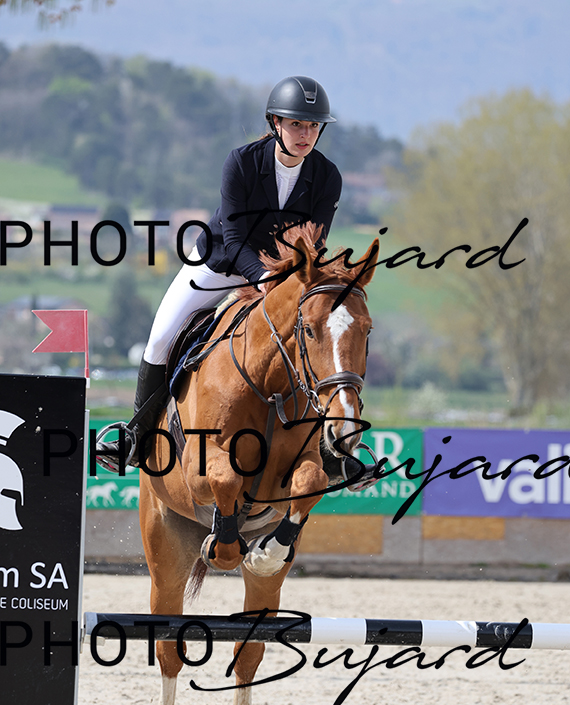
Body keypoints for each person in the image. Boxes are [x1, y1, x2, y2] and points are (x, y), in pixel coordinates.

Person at [97, 75, 381, 489]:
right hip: (220, 263)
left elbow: (315, 242)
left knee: (317, 338)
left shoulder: (327, 176)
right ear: (275, 123)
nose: (306, 134)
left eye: (313, 126)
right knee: (160, 337)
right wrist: (262, 276)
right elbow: (233, 237)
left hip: (284, 276)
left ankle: (331, 453)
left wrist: (290, 283)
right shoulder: (242, 163)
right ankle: (136, 438)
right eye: (296, 124)